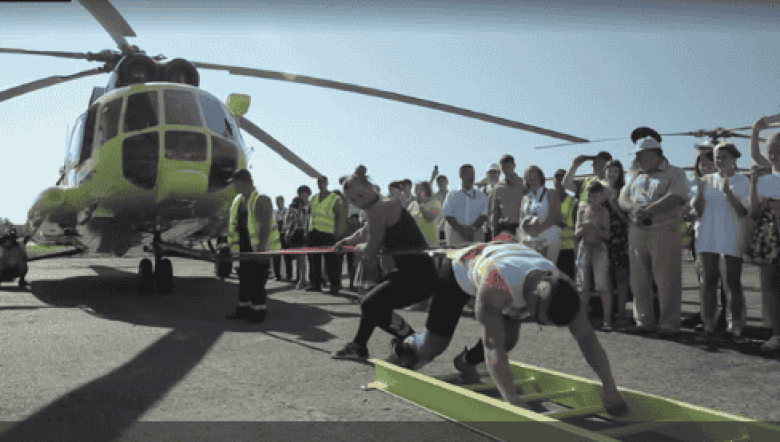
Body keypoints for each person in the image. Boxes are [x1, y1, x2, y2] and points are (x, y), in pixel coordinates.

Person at [388, 237, 628, 416]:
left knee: (510, 339)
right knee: (433, 347)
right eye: (538, 319)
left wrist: (610, 387)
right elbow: (493, 345)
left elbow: (587, 339)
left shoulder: (562, 285)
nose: (537, 324)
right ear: (532, 299)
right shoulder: (496, 286)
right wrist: (512, 401)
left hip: (506, 260)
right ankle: (407, 346)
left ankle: (466, 361)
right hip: (458, 272)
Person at [331, 166, 438, 360]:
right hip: (414, 273)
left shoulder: (379, 209)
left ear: (371, 187)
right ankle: (359, 345)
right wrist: (346, 241)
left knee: (370, 304)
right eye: (353, 200)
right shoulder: (379, 206)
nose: (358, 202)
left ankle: (412, 343)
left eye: (360, 196)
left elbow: (370, 252)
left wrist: (355, 248)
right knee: (372, 302)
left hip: (418, 276)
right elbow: (365, 231)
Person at [618, 135, 689, 337]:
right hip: (637, 230)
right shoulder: (635, 175)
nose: (638, 160)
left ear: (654, 154)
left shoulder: (675, 172)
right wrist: (634, 209)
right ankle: (643, 321)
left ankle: (669, 323)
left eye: (641, 156)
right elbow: (622, 197)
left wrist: (648, 210)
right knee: (638, 279)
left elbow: (676, 196)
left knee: (667, 279)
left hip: (664, 229)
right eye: (637, 156)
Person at [692, 141, 750, 345]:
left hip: (732, 235)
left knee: (732, 282)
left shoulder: (743, 180)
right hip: (708, 235)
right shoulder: (706, 180)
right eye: (717, 157)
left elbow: (743, 211)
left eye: (724, 156)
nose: (720, 161)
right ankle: (708, 325)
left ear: (734, 158)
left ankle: (735, 327)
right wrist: (698, 195)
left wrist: (728, 193)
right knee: (708, 281)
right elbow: (698, 211)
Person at [225, 169, 280, 323]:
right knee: (245, 279)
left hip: (257, 247)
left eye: (236, 183)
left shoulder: (260, 198)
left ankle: (258, 312)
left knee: (257, 280)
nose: (234, 186)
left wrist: (261, 246)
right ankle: (243, 309)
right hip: (244, 247)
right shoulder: (238, 200)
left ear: (246, 182)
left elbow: (266, 224)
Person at [747, 115, 780, 353]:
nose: (773, 154)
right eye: (771, 150)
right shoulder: (767, 174)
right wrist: (756, 130)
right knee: (770, 286)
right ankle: (777, 334)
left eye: (778, 150)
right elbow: (756, 210)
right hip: (769, 234)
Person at [575, 181, 612, 331]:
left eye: (594, 196)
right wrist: (583, 229)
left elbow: (607, 235)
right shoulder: (581, 209)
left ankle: (607, 320)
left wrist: (596, 228)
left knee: (602, 285)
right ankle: (582, 319)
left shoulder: (603, 211)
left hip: (599, 248)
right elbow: (576, 233)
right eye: (588, 196)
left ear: (601, 196)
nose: (591, 199)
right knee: (583, 286)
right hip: (584, 247)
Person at [306, 176, 343, 294]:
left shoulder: (334, 198)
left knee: (331, 261)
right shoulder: (313, 198)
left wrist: (337, 232)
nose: (320, 184)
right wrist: (307, 231)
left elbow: (338, 216)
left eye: (322, 182)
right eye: (318, 182)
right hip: (314, 232)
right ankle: (315, 283)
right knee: (313, 259)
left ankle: (335, 285)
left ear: (327, 183)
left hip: (328, 233)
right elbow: (309, 215)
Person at [518, 165, 562, 263]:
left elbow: (555, 216)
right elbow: (521, 220)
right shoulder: (525, 198)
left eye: (534, 174)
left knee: (547, 267)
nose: (531, 177)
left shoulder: (551, 193)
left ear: (540, 176)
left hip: (548, 236)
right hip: (529, 238)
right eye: (528, 175)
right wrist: (529, 231)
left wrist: (538, 230)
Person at [442, 164, 489, 247]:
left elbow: (484, 215)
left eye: (473, 174)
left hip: (476, 234)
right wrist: (462, 231)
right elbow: (448, 215)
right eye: (468, 174)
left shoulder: (481, 195)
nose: (471, 177)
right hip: (455, 235)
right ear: (461, 175)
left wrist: (472, 229)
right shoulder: (452, 195)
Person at [491, 155, 526, 238]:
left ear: (514, 166)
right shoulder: (498, 187)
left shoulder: (523, 183)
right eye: (503, 167)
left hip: (521, 226)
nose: (506, 170)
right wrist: (494, 231)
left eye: (508, 167)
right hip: (504, 227)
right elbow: (495, 211)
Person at [553, 168, 577, 281]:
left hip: (568, 247)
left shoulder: (573, 201)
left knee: (568, 280)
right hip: (551, 246)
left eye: (562, 178)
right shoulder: (547, 200)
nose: (559, 181)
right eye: (557, 178)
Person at [284, 197, 308, 290]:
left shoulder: (304, 212)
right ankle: (297, 277)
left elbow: (303, 223)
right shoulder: (290, 213)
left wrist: (298, 216)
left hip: (301, 234)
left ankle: (302, 279)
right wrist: (290, 213)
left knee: (302, 259)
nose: (298, 207)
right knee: (296, 259)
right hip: (293, 236)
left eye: (299, 205)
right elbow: (287, 223)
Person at [272, 196, 292, 282]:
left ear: (283, 202)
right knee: (276, 256)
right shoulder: (274, 212)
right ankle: (277, 275)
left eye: (280, 202)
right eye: (277, 202)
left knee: (287, 256)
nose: (278, 204)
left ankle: (289, 275)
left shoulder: (287, 211)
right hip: (276, 236)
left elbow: (289, 223)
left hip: (285, 234)